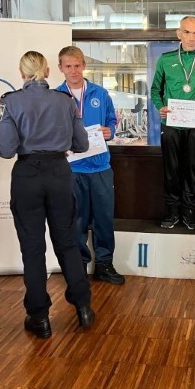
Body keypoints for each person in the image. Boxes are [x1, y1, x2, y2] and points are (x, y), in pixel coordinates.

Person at [0, 51, 94, 339]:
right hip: (60, 175)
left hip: (27, 176)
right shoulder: (65, 101)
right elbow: (81, 144)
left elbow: (6, 150)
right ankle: (83, 307)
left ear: (22, 73)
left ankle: (39, 317)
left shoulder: (10, 101)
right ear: (49, 71)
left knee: (33, 248)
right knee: (67, 242)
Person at [56, 46, 125, 284]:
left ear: (84, 65)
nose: (73, 71)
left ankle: (104, 265)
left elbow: (112, 121)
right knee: (76, 221)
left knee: (103, 219)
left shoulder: (100, 93)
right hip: (72, 169)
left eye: (77, 65)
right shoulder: (56, 97)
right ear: (60, 68)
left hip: (100, 168)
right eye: (68, 66)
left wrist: (110, 131)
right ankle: (79, 268)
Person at [150, 16, 195, 230]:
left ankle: (189, 212)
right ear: (179, 34)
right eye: (187, 32)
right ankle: (172, 212)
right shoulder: (165, 59)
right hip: (171, 123)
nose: (191, 37)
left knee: (193, 169)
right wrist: (160, 106)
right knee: (171, 170)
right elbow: (155, 89)